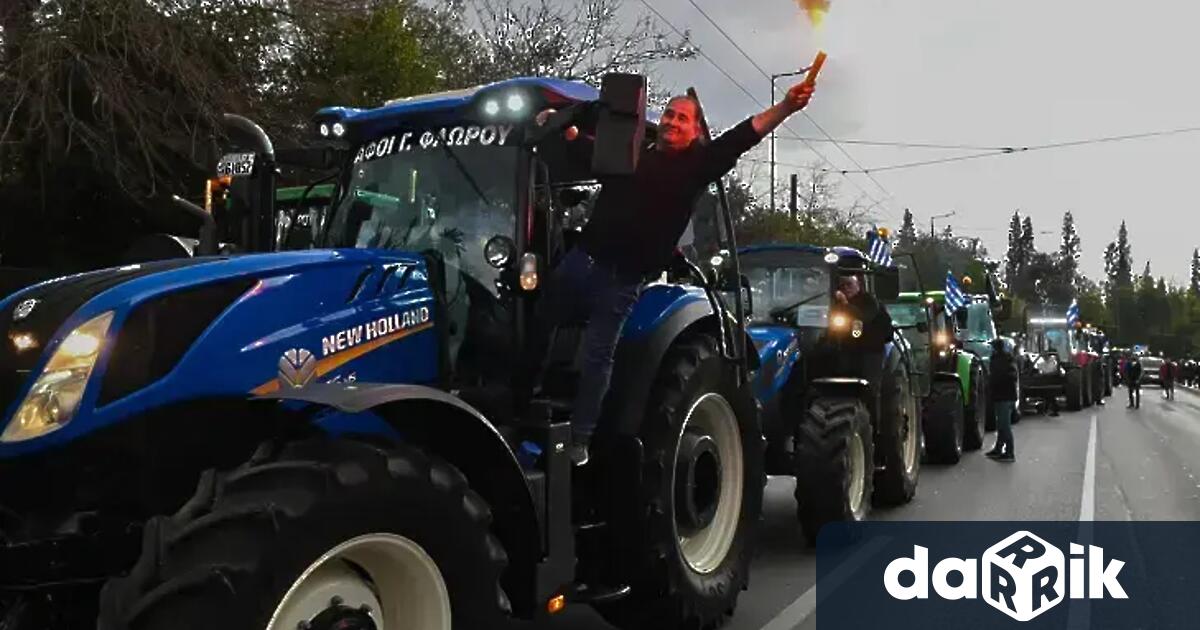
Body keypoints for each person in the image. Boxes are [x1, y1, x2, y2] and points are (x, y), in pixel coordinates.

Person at [521, 79, 818, 466]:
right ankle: (521, 399)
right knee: (536, 320)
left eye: (682, 118)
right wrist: (557, 123)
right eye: (669, 114)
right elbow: (583, 147)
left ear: (695, 131)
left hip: (623, 281)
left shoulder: (696, 167)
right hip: (582, 262)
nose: (672, 122)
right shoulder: (627, 155)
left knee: (598, 355)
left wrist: (786, 107)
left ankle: (580, 438)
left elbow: (744, 136)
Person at [986, 338, 1019, 462]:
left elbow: (1003, 377)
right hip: (1004, 396)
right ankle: (998, 449)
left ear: (996, 348)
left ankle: (1010, 453)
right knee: (1001, 425)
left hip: (1004, 397)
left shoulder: (1002, 360)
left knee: (1004, 426)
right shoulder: (1005, 359)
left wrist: (995, 382)